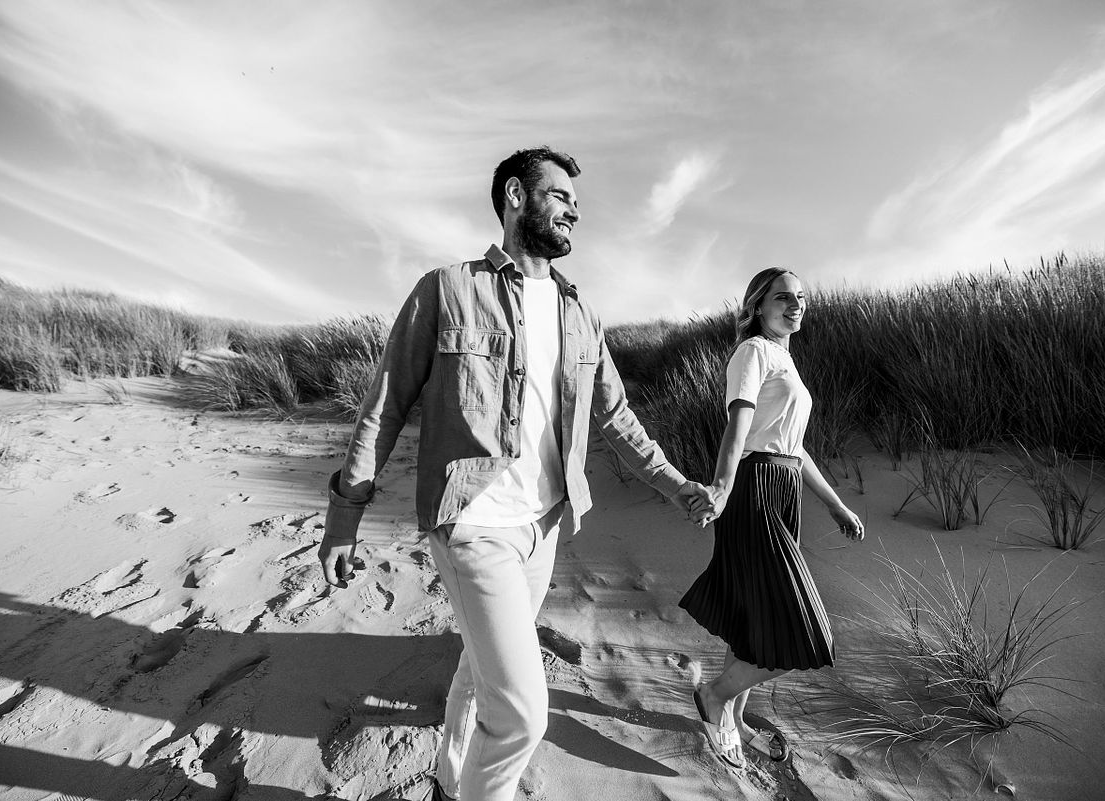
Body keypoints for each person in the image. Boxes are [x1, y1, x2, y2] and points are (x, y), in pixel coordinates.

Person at [317, 146, 710, 801]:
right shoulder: (447, 289)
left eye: (576, 203)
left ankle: (448, 782)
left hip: (543, 524)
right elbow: (384, 405)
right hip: (473, 522)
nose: (574, 211)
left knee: (482, 669)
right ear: (515, 197)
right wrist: (344, 516)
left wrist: (675, 484)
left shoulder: (580, 312)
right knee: (523, 717)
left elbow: (616, 415)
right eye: (560, 196)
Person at [680, 267, 865, 769]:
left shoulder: (785, 360)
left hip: (784, 488)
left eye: (800, 296)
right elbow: (737, 426)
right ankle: (715, 696)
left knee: (754, 615)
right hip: (754, 488)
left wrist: (835, 504)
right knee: (802, 630)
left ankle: (735, 717)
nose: (795, 304)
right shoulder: (753, 352)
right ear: (758, 306)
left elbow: (794, 447)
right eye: (783, 297)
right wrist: (722, 487)